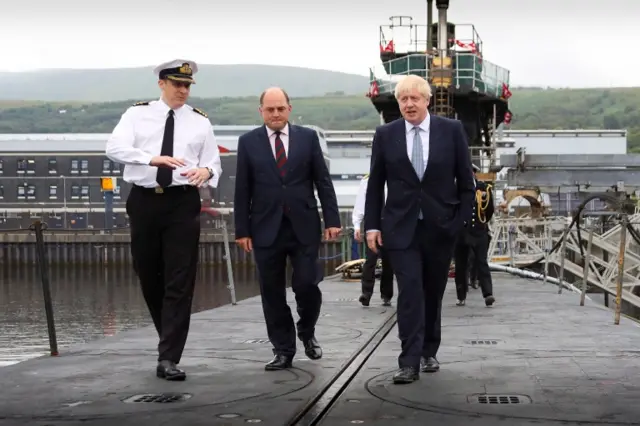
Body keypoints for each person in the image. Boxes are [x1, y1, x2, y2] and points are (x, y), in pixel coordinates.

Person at [106, 59, 222, 381]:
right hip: (144, 201)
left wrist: (206, 171)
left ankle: (168, 356)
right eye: (177, 84)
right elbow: (114, 147)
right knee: (149, 275)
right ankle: (167, 338)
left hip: (182, 203)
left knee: (179, 281)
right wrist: (150, 158)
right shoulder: (136, 114)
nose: (183, 91)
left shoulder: (200, 122)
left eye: (187, 86)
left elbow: (214, 164)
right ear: (162, 84)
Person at [364, 74, 475, 384]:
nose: (409, 104)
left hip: (440, 228)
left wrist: (460, 222)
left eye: (415, 98)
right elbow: (376, 184)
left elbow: (467, 183)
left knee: (433, 291)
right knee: (410, 291)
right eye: (403, 99)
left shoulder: (451, 131)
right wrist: (372, 225)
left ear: (427, 100)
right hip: (400, 228)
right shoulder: (385, 135)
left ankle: (429, 349)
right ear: (398, 103)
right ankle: (409, 361)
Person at [233, 87, 341, 371]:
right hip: (265, 228)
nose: (276, 114)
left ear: (289, 109)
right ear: (261, 112)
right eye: (270, 109)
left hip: (303, 225)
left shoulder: (307, 138)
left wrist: (332, 220)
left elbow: (323, 181)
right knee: (271, 292)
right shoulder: (248, 142)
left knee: (307, 285)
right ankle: (283, 349)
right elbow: (242, 189)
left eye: (280, 108)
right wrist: (242, 230)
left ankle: (307, 330)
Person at [454, 164, 496, 307]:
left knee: (482, 262)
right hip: (461, 232)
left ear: (473, 173)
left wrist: (482, 223)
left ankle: (488, 294)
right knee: (461, 265)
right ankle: (461, 295)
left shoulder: (483, 188)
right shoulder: (455, 189)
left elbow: (489, 209)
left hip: (478, 231)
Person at [352, 174, 393, 307]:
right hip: (373, 224)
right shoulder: (367, 180)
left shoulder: (396, 176)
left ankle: (386, 294)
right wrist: (357, 225)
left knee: (389, 261)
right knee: (370, 260)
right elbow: (360, 203)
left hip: (391, 224)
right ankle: (366, 293)